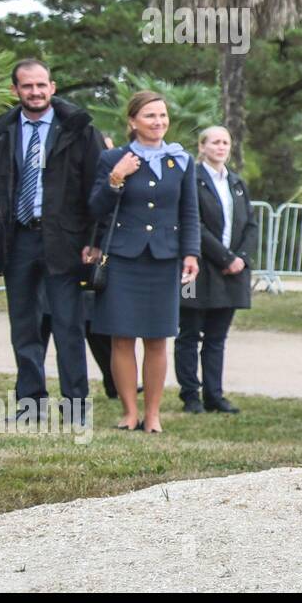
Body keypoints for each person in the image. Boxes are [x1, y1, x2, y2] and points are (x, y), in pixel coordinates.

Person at [0, 58, 105, 428]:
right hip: (18, 239)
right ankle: (30, 405)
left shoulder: (79, 128)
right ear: (15, 91)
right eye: (27, 86)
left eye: (41, 85)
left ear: (52, 87)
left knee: (68, 325)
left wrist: (94, 240)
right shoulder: (0, 131)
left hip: (65, 241)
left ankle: (76, 407)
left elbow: (96, 188)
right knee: (24, 327)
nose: (35, 92)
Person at [90, 91, 200, 433]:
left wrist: (191, 252)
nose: (159, 122)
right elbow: (95, 208)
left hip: (164, 258)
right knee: (121, 337)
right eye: (150, 116)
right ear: (133, 121)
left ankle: (152, 415)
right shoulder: (113, 158)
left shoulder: (181, 160)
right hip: (123, 257)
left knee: (157, 338)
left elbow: (190, 212)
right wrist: (116, 179)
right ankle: (128, 412)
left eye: (163, 116)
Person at [175, 126, 258, 414]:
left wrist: (241, 258)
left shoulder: (236, 183)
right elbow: (193, 223)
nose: (221, 147)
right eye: (215, 142)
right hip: (197, 267)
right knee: (188, 333)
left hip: (232, 271)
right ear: (202, 147)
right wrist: (224, 257)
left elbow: (250, 223)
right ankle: (190, 395)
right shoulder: (192, 179)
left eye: (226, 142)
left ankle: (214, 394)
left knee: (217, 337)